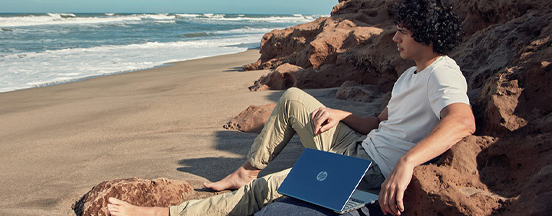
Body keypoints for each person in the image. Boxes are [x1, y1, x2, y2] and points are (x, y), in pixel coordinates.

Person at [107, 0, 473, 215]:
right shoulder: (410, 75)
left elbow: (462, 120)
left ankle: (162, 213)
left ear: (426, 35)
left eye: (402, 33)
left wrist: (407, 163)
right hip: (358, 147)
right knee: (294, 99)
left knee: (268, 189)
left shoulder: (443, 72)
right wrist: (342, 114)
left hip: (368, 171)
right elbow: (378, 122)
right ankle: (245, 170)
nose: (394, 38)